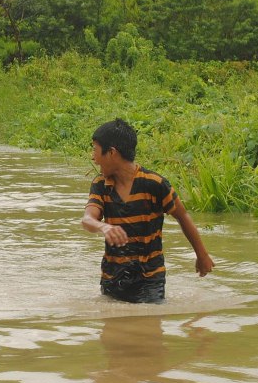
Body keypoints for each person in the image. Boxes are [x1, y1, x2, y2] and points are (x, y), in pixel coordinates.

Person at [81, 118, 213, 303]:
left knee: (149, 327)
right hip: (112, 278)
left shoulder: (154, 184)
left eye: (95, 149)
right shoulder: (101, 184)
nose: (93, 157)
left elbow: (182, 216)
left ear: (111, 153)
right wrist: (104, 227)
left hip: (150, 279)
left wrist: (202, 255)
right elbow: (88, 219)